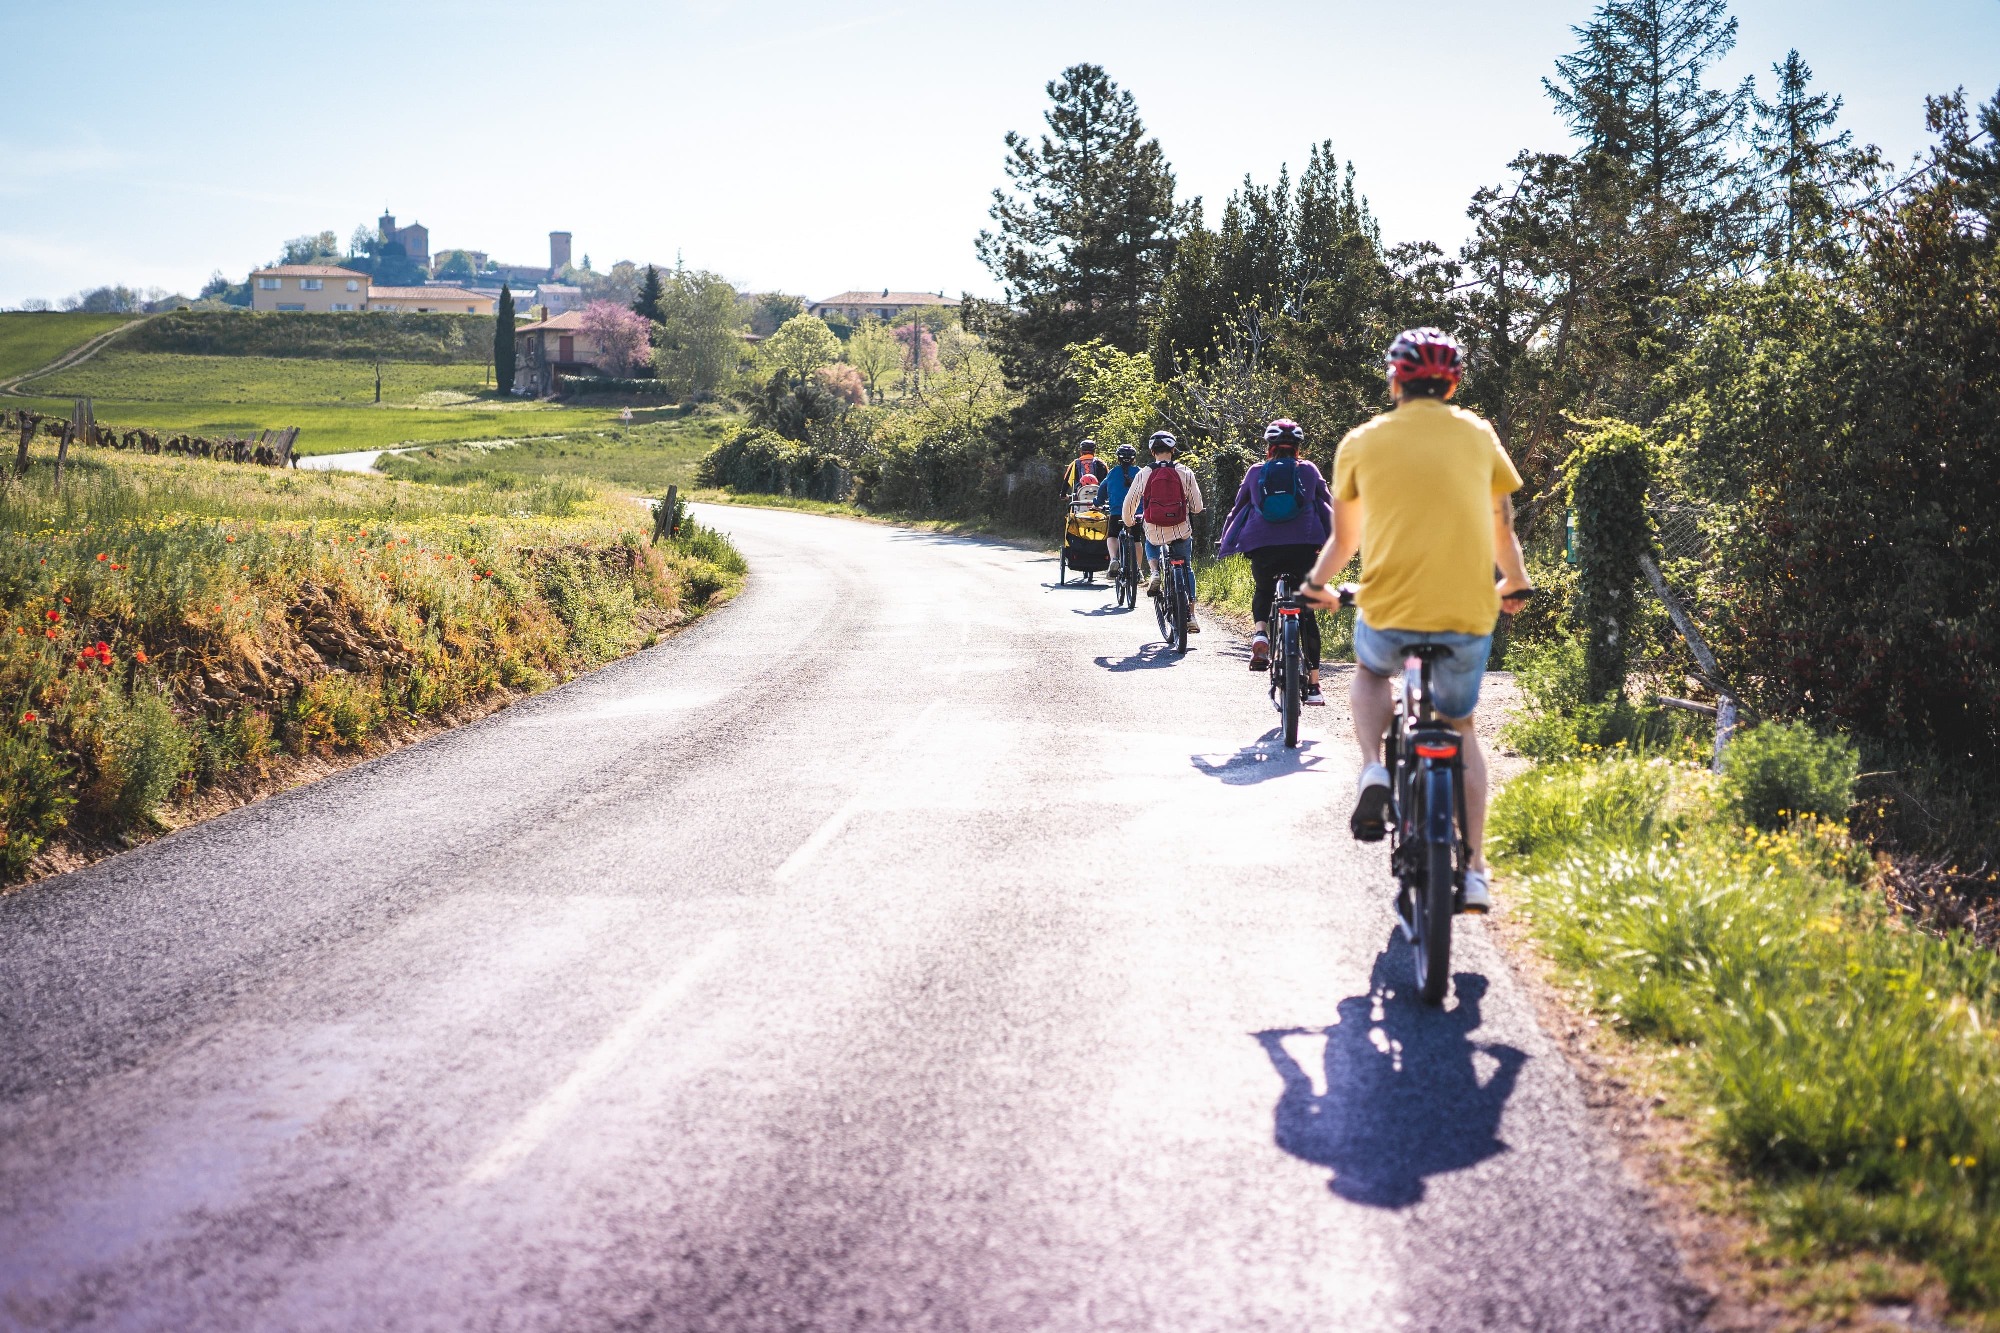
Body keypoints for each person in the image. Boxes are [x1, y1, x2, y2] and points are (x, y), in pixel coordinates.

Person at [1300, 328, 1532, 913]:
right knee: (1462, 729)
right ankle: (1476, 869)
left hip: (1388, 607)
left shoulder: (1363, 440)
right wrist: (1516, 583)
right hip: (1465, 612)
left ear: (1395, 378)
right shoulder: (1478, 434)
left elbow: (1345, 537)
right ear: (1452, 382)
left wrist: (1317, 586)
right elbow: (1501, 525)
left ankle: (1375, 768)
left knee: (1372, 672)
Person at [1216, 419, 1334, 704]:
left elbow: (1238, 508)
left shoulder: (1256, 472)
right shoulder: (1308, 470)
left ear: (1269, 448)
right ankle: (1315, 687)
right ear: (1297, 448)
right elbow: (1326, 503)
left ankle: (1261, 635)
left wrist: (1227, 541)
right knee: (1306, 612)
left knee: (1264, 590)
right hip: (1304, 546)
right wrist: (1335, 542)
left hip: (1263, 544)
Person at [1122, 430, 1203, 634]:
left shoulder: (1144, 473)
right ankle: (1191, 615)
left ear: (1152, 451)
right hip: (1181, 529)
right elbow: (1197, 506)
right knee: (1187, 567)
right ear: (1173, 450)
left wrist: (1130, 521)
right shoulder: (1185, 471)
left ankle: (1155, 571)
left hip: (1154, 529)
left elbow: (1129, 504)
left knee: (1149, 538)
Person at [1098, 443, 1143, 574]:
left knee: (1112, 535)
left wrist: (1097, 502)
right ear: (1134, 459)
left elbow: (1102, 490)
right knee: (1136, 539)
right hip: (1136, 513)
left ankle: (1113, 559)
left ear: (1118, 458)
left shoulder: (1112, 473)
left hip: (1117, 512)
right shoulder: (1140, 472)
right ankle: (1138, 570)